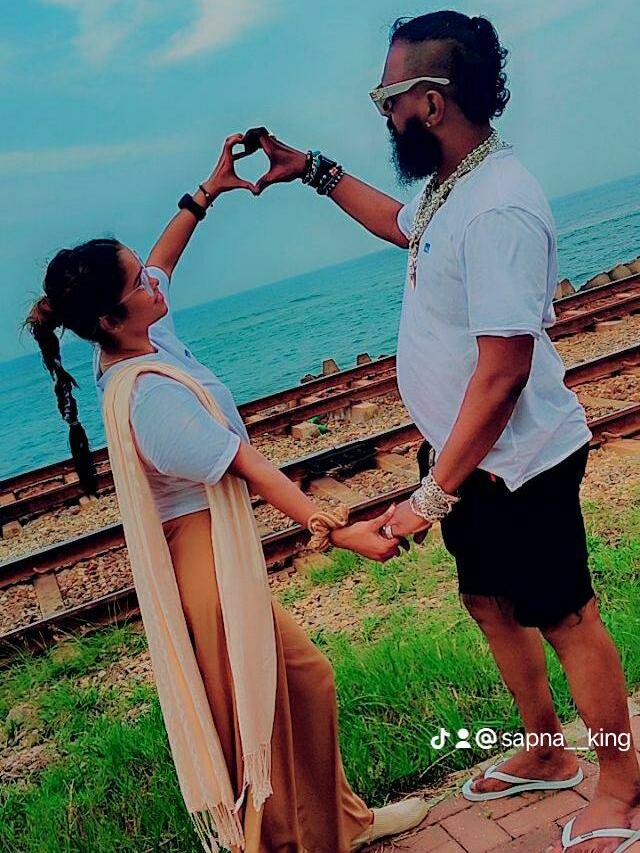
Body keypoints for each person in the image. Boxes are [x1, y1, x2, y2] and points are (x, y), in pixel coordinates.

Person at [242, 11, 640, 853]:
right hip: (469, 459)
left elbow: (502, 375)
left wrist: (430, 496)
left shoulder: (499, 206)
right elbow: (401, 223)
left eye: (387, 99)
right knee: (489, 602)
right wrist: (312, 170)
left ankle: (622, 782)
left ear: (430, 101)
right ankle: (544, 748)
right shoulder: (453, 187)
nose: (384, 114)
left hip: (520, 463)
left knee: (568, 618)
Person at [25, 134, 429, 852]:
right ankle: (287, 840)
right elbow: (251, 467)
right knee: (265, 709)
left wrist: (205, 194)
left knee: (296, 690)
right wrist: (339, 529)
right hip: (202, 562)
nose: (154, 282)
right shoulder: (148, 396)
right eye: (138, 283)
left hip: (215, 549)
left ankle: (340, 824)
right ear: (110, 319)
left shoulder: (142, 336)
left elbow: (163, 257)